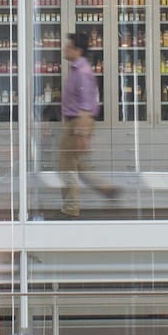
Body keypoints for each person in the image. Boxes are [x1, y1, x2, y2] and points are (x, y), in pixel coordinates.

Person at [59, 31, 118, 217]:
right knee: (79, 165)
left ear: (78, 50)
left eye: (68, 46)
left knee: (67, 165)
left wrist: (82, 134)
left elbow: (85, 105)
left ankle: (70, 208)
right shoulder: (76, 68)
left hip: (78, 122)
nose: (65, 49)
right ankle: (106, 188)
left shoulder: (82, 72)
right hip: (75, 122)